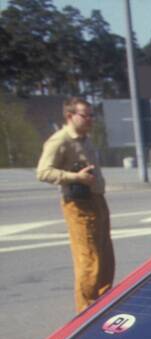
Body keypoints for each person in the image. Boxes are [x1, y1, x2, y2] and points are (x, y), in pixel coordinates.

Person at [36, 97, 115, 313]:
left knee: (106, 258)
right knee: (89, 260)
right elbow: (43, 172)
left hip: (97, 200)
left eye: (92, 115)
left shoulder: (85, 139)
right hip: (78, 204)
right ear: (70, 116)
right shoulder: (60, 140)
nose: (90, 119)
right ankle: (86, 312)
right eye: (85, 115)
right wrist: (75, 177)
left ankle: (104, 305)